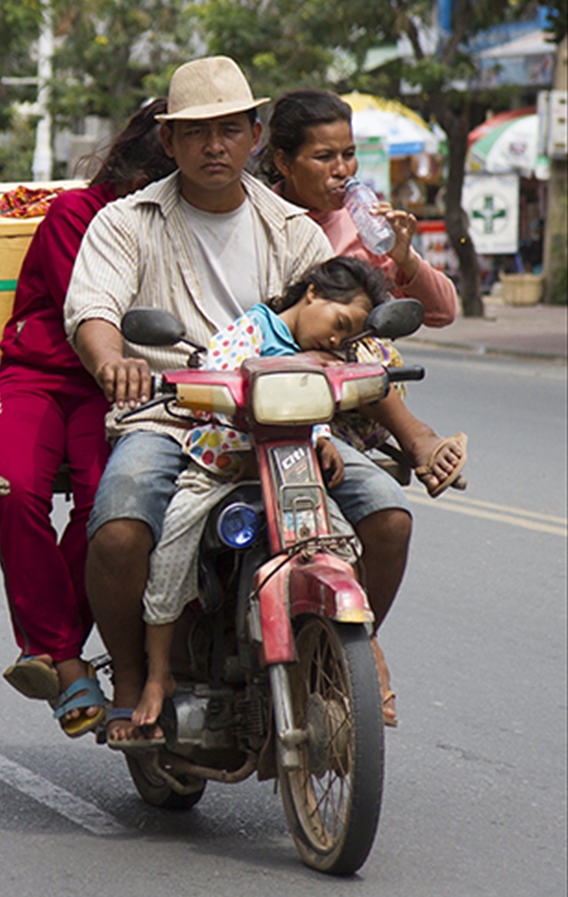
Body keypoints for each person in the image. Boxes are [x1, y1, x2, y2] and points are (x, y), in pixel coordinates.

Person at [64, 56, 334, 746]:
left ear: (253, 134)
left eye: (229, 130)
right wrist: (112, 361)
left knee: (388, 518)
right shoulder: (127, 223)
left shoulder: (297, 231)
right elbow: (93, 310)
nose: (214, 146)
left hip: (282, 425)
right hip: (168, 418)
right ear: (168, 142)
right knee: (121, 526)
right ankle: (131, 678)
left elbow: (334, 321)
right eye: (196, 133)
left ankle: (339, 667)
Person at [0, 99, 176, 738]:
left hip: (113, 390)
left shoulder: (185, 218)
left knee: (109, 511)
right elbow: (96, 310)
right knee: (12, 492)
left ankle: (51, 645)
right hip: (41, 377)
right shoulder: (78, 215)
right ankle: (64, 660)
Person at [132, 256, 395, 732]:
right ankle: (157, 675)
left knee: (341, 549)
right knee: (171, 555)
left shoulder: (323, 359)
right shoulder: (252, 330)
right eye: (339, 324)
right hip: (220, 470)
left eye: (347, 335)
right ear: (312, 292)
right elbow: (218, 366)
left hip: (290, 471)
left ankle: (351, 651)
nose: (337, 340)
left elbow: (314, 405)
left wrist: (321, 440)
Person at [261, 89, 467, 495]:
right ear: (284, 162)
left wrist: (404, 259)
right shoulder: (258, 217)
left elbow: (443, 313)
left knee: (353, 339)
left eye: (348, 154)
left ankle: (415, 437)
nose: (342, 170)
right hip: (276, 380)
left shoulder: (365, 224)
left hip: (355, 391)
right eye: (324, 157)